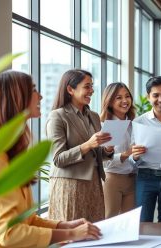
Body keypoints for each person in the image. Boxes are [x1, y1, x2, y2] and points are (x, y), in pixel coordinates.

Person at [0, 70, 101, 247]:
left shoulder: (10, 153)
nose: (41, 96)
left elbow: (25, 220)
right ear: (15, 97)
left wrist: (63, 225)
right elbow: (9, 234)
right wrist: (70, 233)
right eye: (34, 90)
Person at [47, 69, 114, 222]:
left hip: (94, 184)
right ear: (70, 89)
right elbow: (58, 159)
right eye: (87, 86)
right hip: (70, 185)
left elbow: (95, 154)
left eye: (92, 86)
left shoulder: (94, 116)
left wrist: (107, 150)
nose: (92, 90)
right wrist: (89, 144)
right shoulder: (57, 116)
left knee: (95, 230)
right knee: (73, 234)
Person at [131, 76, 161, 222]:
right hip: (146, 177)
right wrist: (135, 156)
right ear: (148, 97)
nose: (160, 99)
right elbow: (131, 157)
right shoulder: (139, 122)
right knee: (143, 221)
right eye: (155, 95)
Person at [100, 82, 137, 218]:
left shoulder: (133, 124)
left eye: (127, 96)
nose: (124, 101)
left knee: (129, 223)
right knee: (110, 220)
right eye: (118, 97)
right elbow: (105, 162)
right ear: (109, 102)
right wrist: (126, 154)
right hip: (113, 180)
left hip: (132, 179)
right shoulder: (105, 126)